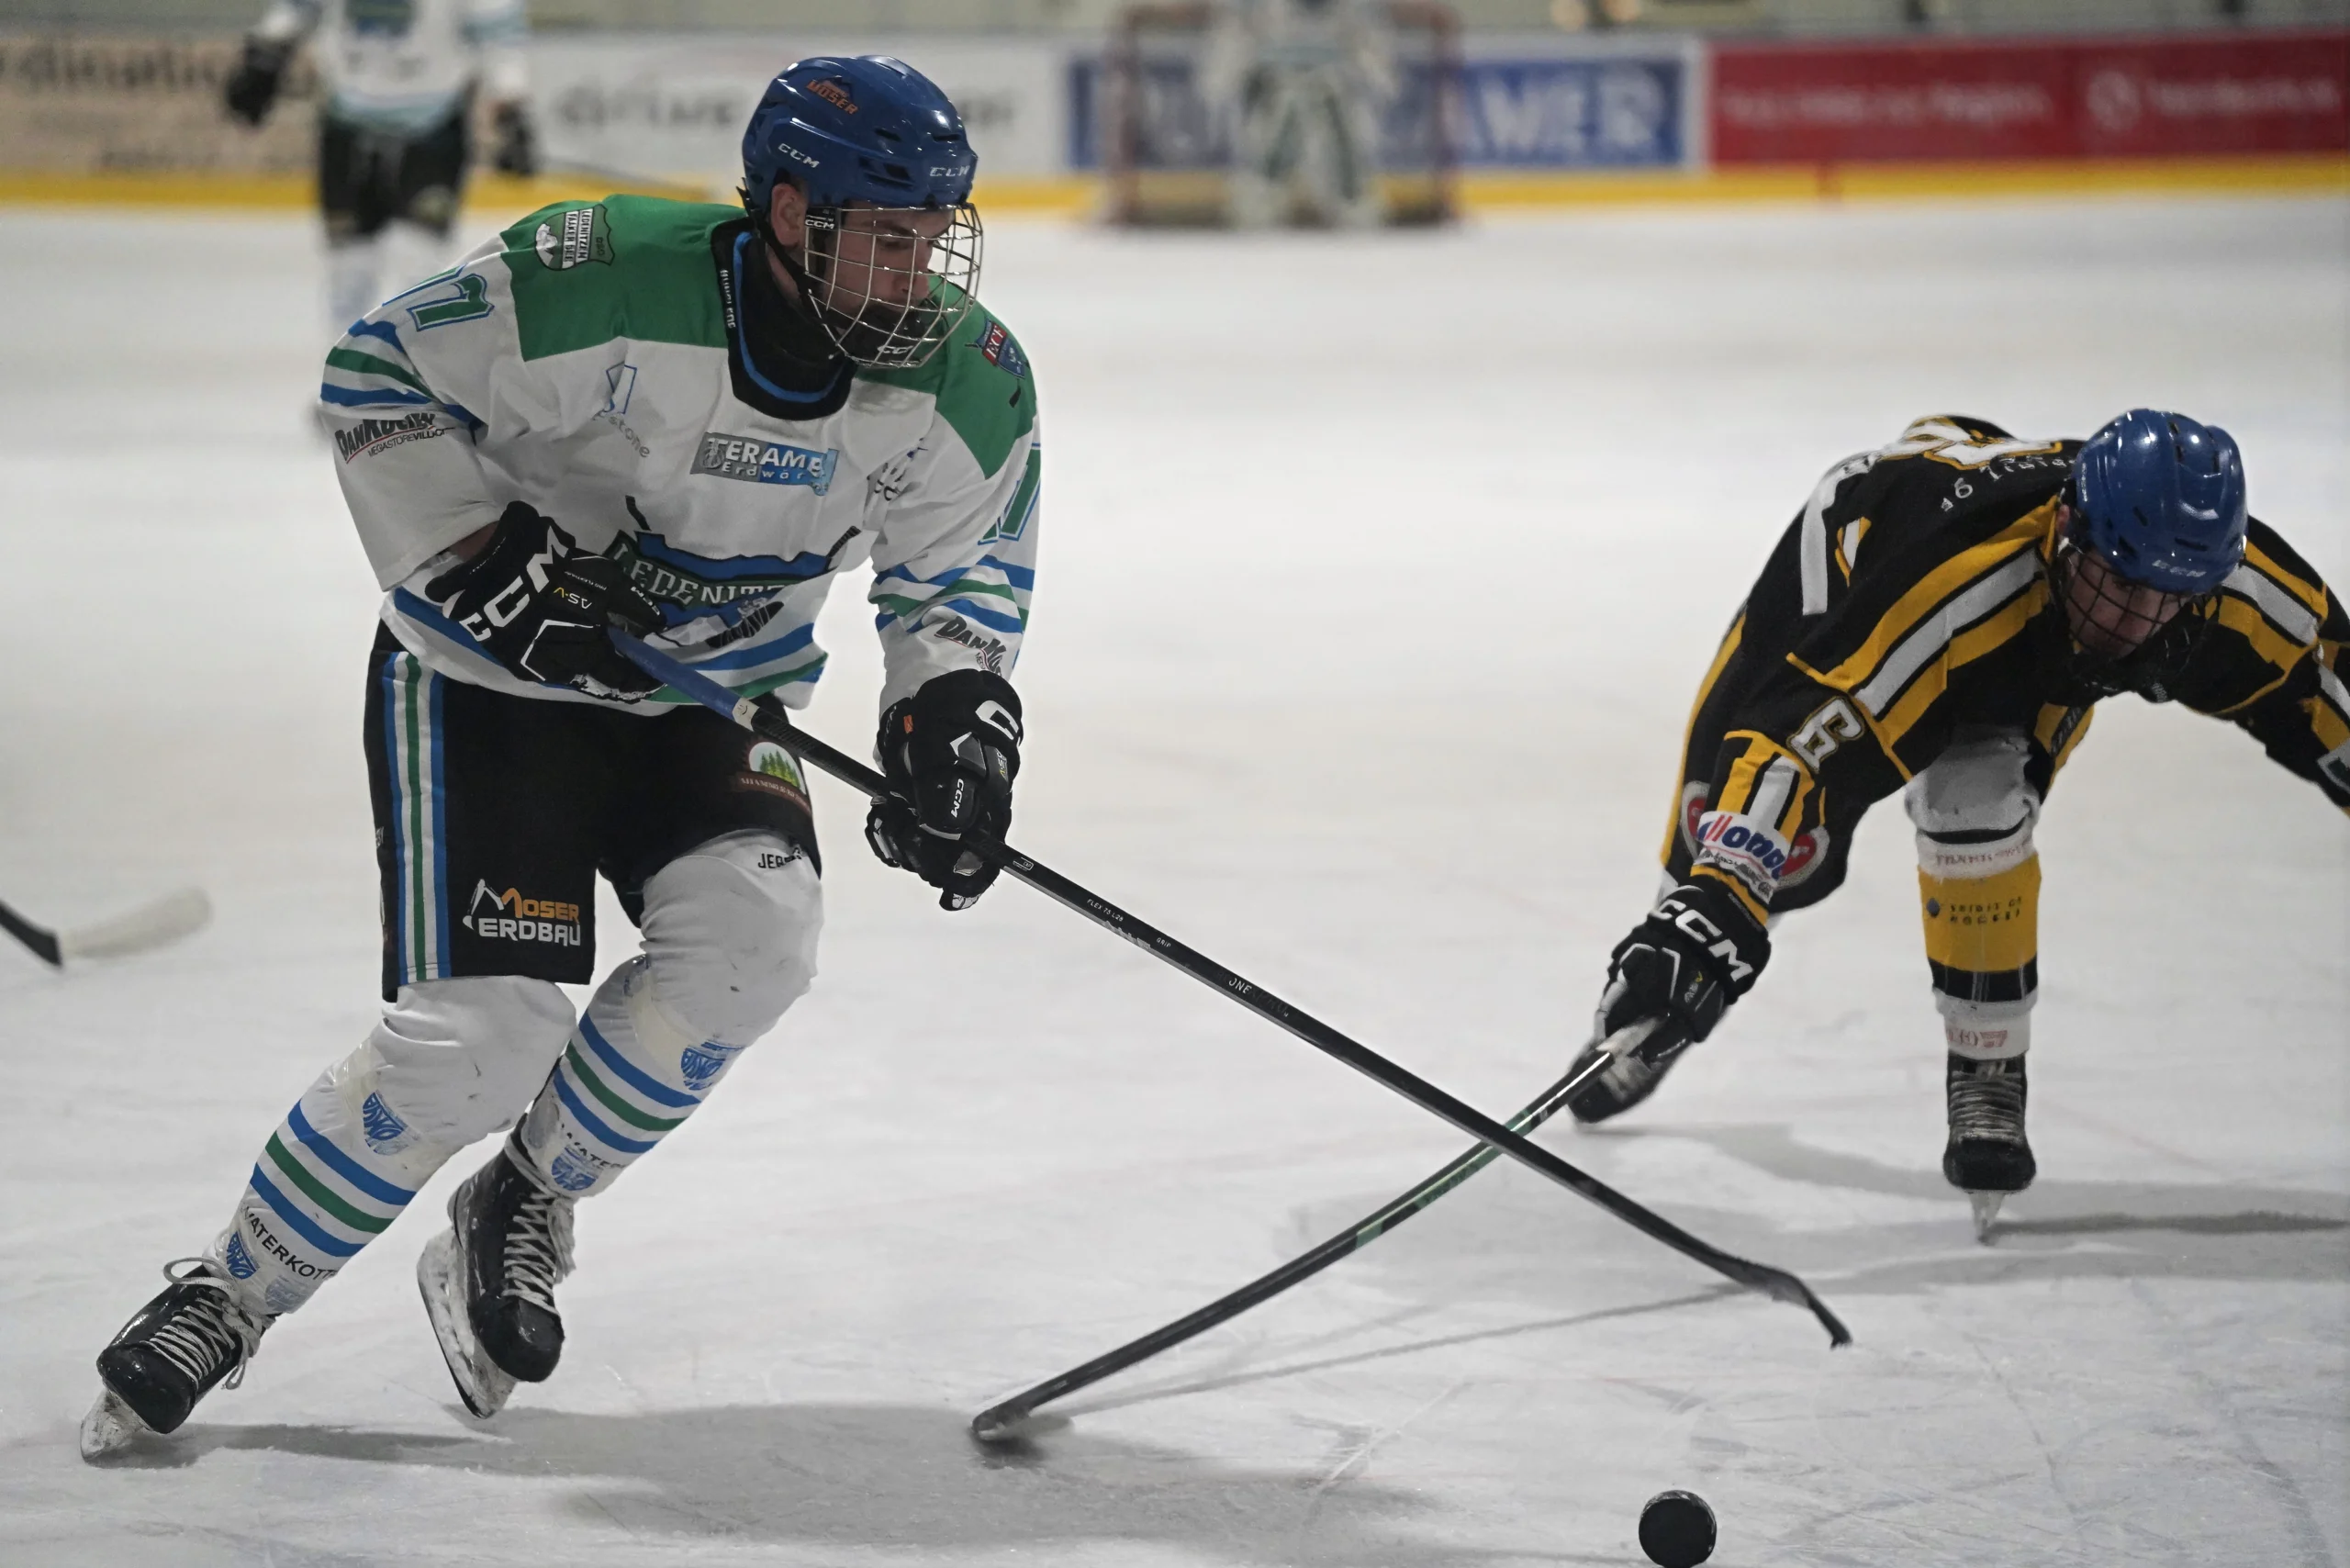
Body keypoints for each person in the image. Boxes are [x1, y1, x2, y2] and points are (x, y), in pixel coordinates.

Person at [82, 54, 1041, 1458]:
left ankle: (525, 1194)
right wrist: (479, 558)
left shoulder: (970, 380)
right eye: (880, 239)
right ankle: (233, 1291)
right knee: (484, 1037)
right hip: (489, 681)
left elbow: (960, 583)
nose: (916, 277)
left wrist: (954, 726)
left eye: (931, 239)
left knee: (757, 941)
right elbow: (378, 374)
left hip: (708, 699)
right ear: (786, 214)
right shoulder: (599, 280)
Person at [1566, 411, 2345, 1230]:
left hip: (2017, 615)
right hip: (1859, 555)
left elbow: (2331, 694)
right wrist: (1715, 897)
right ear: (2067, 529)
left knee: (1976, 800)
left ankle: (1987, 1070)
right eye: (2118, 585)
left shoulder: (2230, 595)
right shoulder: (1951, 596)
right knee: (1725, 831)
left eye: (2168, 600)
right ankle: (1649, 1015)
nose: (2131, 629)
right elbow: (1797, 740)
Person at [222, 0, 539, 336]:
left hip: (433, 131)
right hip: (347, 127)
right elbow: (298, 9)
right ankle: (343, 376)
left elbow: (501, 39)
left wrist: (512, 111)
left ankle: (414, 376)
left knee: (419, 264)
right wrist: (265, 56)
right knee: (348, 270)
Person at [1203, 0, 1396, 230]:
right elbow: (1235, 37)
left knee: (1337, 116)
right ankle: (1264, 190)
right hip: (1274, 84)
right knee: (1279, 120)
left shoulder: (1350, 8)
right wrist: (1221, 77)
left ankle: (1350, 194)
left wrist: (1378, 73)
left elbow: (1367, 39)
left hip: (1333, 82)